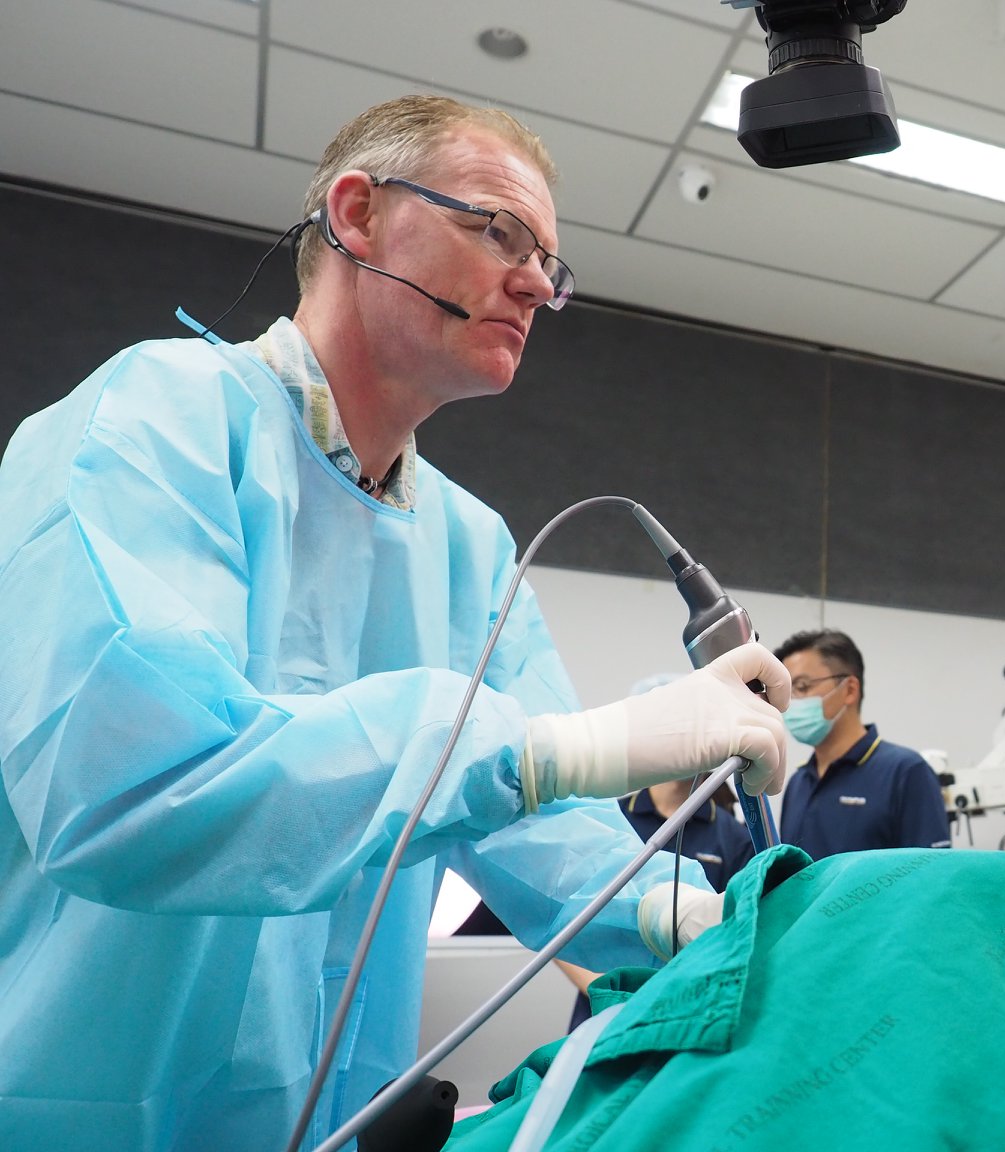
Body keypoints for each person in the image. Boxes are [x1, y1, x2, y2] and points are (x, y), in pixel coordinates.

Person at [0, 95, 790, 1152]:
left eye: (550, 264)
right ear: (358, 215)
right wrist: (555, 748)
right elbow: (135, 788)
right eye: (498, 231)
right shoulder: (154, 420)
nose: (535, 283)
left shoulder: (471, 547)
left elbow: (533, 823)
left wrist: (679, 914)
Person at [772, 629, 950, 858]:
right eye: (788, 692)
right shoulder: (798, 783)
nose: (791, 703)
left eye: (803, 687)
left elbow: (931, 871)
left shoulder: (905, 772)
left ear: (850, 690)